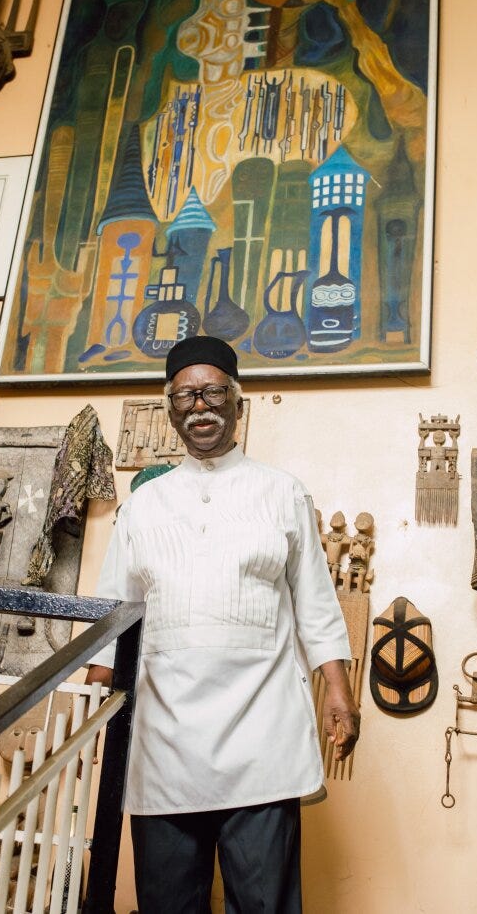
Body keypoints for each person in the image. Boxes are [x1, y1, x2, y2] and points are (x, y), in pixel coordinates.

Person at [86, 335, 359, 913]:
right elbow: (113, 613)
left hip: (264, 736)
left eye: (213, 392)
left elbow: (315, 602)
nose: (200, 406)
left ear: (238, 402)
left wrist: (337, 687)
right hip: (164, 740)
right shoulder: (143, 506)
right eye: (185, 396)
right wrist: (95, 716)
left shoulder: (283, 493)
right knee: (168, 905)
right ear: (171, 409)